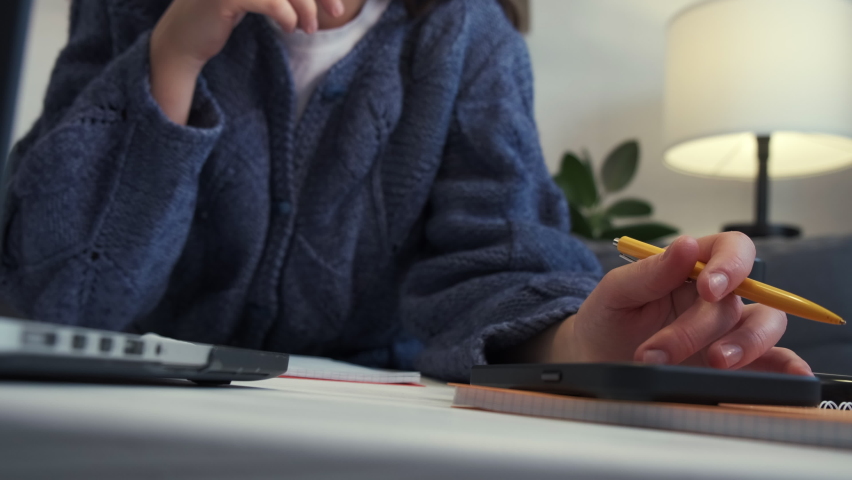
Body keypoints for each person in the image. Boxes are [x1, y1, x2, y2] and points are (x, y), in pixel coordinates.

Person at [0, 0, 811, 381]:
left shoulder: (467, 40)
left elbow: (498, 260)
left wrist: (578, 344)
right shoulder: (130, 10)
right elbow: (53, 298)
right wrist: (174, 55)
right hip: (136, 420)